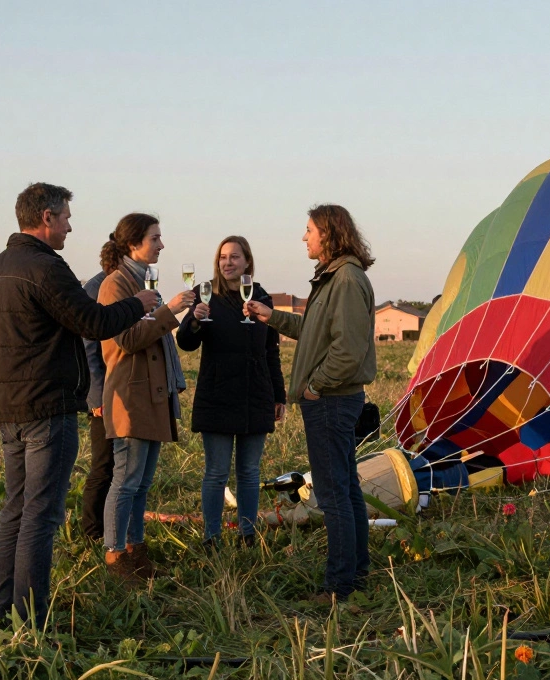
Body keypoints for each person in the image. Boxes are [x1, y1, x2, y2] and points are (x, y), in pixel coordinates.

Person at [0, 183, 157, 625]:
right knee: (40, 516)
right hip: (46, 407)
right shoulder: (45, 268)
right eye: (66, 218)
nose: (70, 227)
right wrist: (140, 303)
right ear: (46, 218)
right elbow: (93, 321)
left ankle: (4, 612)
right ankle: (31, 621)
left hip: (7, 407)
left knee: (15, 511)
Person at [245, 205, 376, 602]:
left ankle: (339, 587)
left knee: (334, 495)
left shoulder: (347, 280)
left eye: (309, 230)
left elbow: (348, 351)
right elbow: (315, 332)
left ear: (329, 234)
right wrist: (275, 318)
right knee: (347, 489)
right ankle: (356, 575)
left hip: (332, 401)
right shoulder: (334, 278)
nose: (304, 237)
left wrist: (315, 386)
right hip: (332, 400)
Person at [98, 213, 194, 580]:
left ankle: (136, 552)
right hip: (132, 395)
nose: (161, 245)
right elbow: (126, 338)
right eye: (155, 238)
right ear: (133, 242)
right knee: (126, 479)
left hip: (151, 394)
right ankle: (115, 554)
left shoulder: (141, 280)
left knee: (141, 482)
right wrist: (169, 311)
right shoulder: (115, 284)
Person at [176, 236, 287, 547]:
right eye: (223, 257)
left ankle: (247, 534)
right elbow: (185, 343)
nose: (227, 262)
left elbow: (271, 351)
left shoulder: (261, 296)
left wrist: (279, 395)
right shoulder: (205, 293)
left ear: (247, 262)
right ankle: (211, 537)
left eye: (234, 257)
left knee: (250, 471)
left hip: (255, 392)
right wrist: (195, 321)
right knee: (216, 472)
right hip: (217, 393)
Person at [79, 268, 111, 542]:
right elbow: (88, 348)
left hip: (122, 393)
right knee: (103, 465)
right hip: (104, 398)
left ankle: (108, 527)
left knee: (116, 466)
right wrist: (97, 398)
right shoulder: (97, 287)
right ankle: (91, 532)